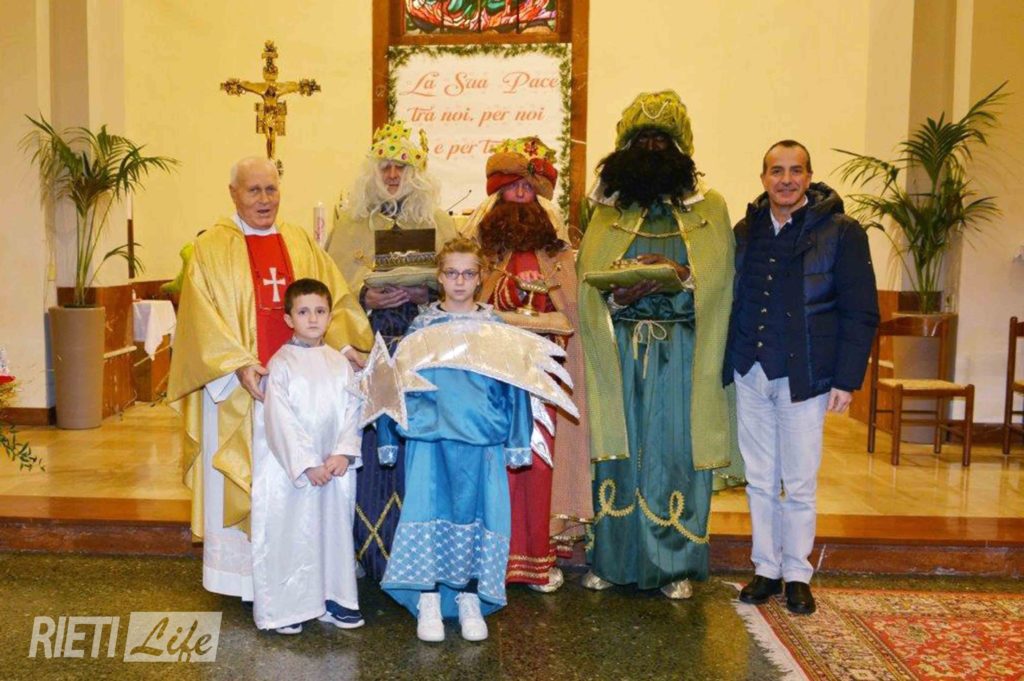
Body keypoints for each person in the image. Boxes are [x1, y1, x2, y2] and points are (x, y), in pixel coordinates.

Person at [167, 156, 371, 602]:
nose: (264, 199)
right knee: (250, 481)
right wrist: (238, 364)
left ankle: (302, 579)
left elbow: (331, 300)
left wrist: (345, 346)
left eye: (271, 189)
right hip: (241, 392)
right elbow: (200, 319)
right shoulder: (210, 248)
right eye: (254, 190)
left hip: (304, 393)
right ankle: (243, 579)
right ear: (233, 194)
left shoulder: (299, 242)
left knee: (300, 479)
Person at [576, 91, 740, 599]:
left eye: (662, 141)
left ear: (681, 149)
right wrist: (619, 292)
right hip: (620, 349)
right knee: (618, 451)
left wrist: (680, 274)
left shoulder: (709, 209)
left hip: (681, 352)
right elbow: (586, 280)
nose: (652, 149)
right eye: (642, 140)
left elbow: (721, 282)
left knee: (673, 453)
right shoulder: (604, 211)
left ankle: (674, 566)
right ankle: (612, 560)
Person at [725, 140, 878, 614]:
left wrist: (846, 379)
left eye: (796, 170)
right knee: (759, 479)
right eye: (777, 170)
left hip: (805, 375)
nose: (786, 179)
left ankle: (796, 573)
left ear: (809, 177)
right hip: (751, 369)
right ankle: (765, 568)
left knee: (799, 481)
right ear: (763, 177)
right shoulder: (745, 230)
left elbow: (861, 311)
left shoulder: (842, 232)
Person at [375, 237, 534, 642]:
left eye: (468, 273)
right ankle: (427, 598)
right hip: (430, 437)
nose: (460, 281)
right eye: (451, 273)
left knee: (475, 514)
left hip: (482, 437)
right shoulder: (421, 328)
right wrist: (387, 436)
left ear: (480, 277)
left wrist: (518, 441)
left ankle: (469, 597)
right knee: (426, 512)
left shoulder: (496, 329)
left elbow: (516, 386)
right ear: (440, 277)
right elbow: (394, 383)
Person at [327, 120, 458, 580]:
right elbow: (331, 287)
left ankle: (420, 546)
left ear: (416, 173)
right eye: (385, 166)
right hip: (370, 345)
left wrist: (429, 292)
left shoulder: (439, 222)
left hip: (423, 344)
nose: (393, 175)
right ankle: (366, 549)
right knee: (368, 439)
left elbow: (463, 279)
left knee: (419, 438)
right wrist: (366, 295)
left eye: (401, 167)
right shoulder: (351, 224)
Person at [460, 136, 590, 592]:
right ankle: (491, 557)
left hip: (543, 383)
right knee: (494, 467)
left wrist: (543, 311)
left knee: (537, 467)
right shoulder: (480, 253)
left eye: (528, 189)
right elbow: (466, 309)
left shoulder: (558, 254)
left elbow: (571, 313)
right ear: (496, 196)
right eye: (511, 188)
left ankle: (536, 559)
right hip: (492, 381)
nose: (520, 195)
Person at [254, 278, 364, 634]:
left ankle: (335, 599)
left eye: (320, 311)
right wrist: (307, 463)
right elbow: (279, 419)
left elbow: (353, 408)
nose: (313, 319)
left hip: (334, 469)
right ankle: (290, 608)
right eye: (303, 312)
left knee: (333, 532)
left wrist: (344, 452)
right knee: (294, 532)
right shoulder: (281, 364)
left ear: (330, 317)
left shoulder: (339, 363)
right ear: (289, 319)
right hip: (295, 473)